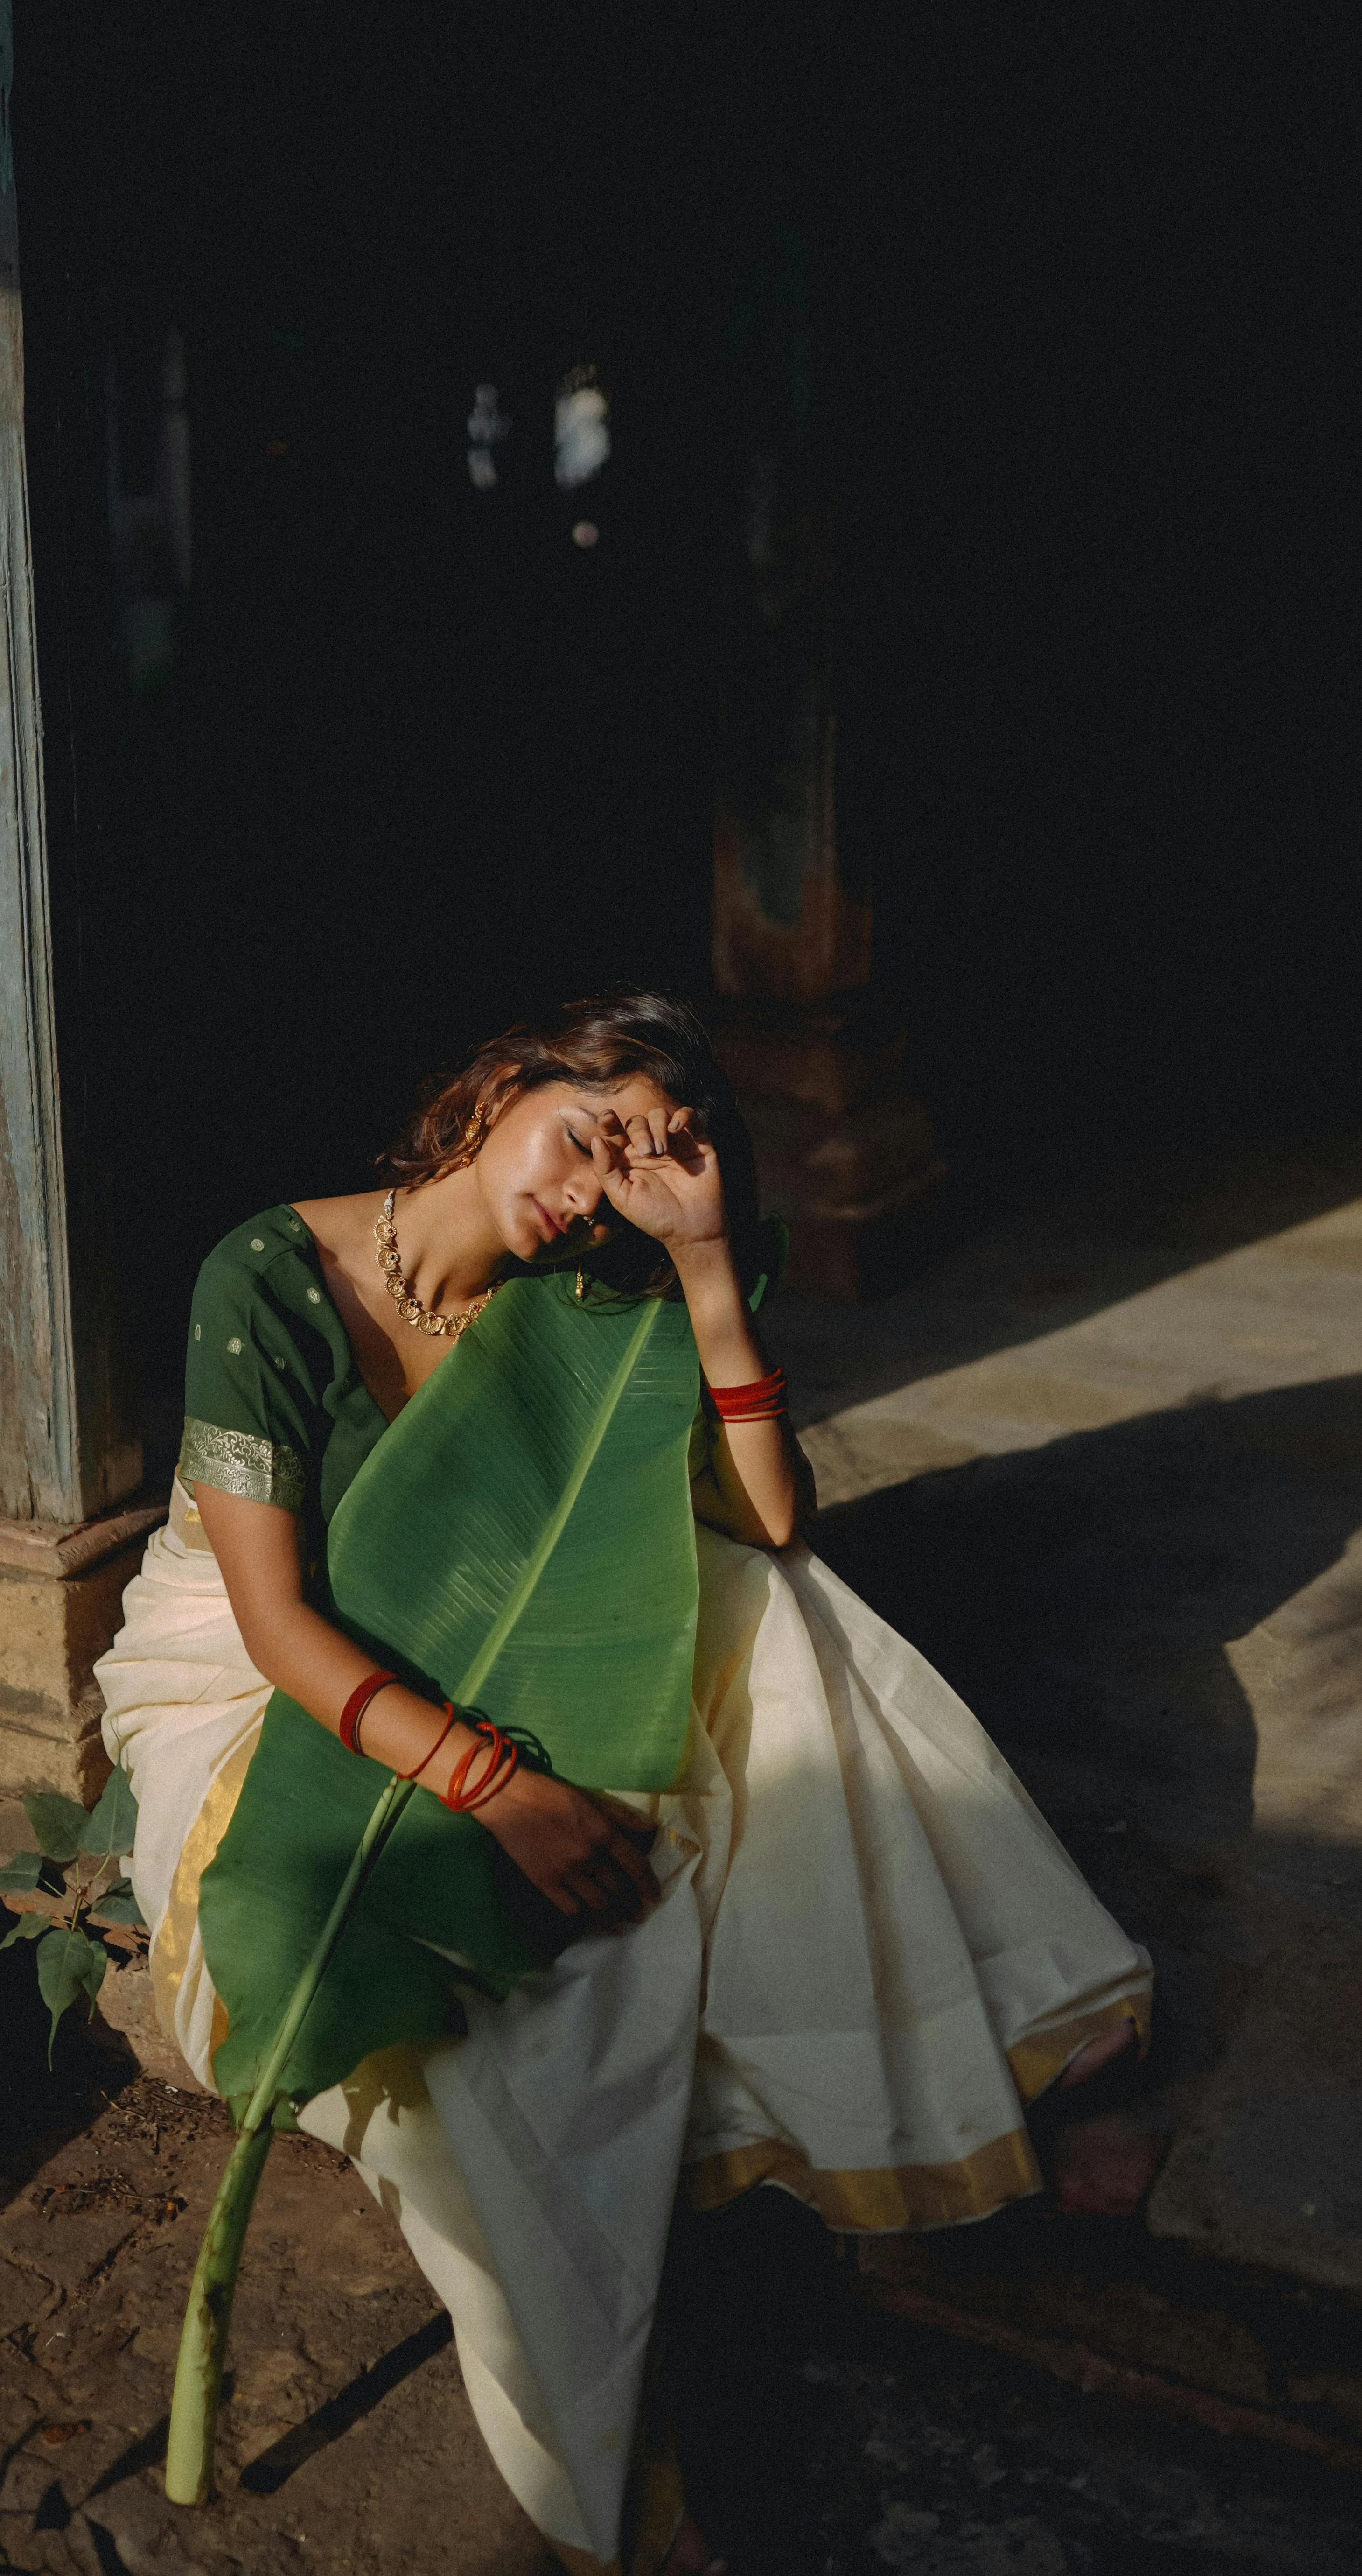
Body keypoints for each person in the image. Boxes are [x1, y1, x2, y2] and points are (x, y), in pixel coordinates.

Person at [95, 991, 1151, 2576]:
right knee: (515, 2015)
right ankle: (617, 2484)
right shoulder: (272, 1275)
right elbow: (278, 1620)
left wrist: (710, 1268)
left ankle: (1023, 2008)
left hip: (493, 1650)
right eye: (586, 1135)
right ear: (497, 1087)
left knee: (775, 1605)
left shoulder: (594, 1288)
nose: (591, 1193)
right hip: (265, 1680)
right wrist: (495, 1787)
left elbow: (774, 1521)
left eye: (637, 1170)